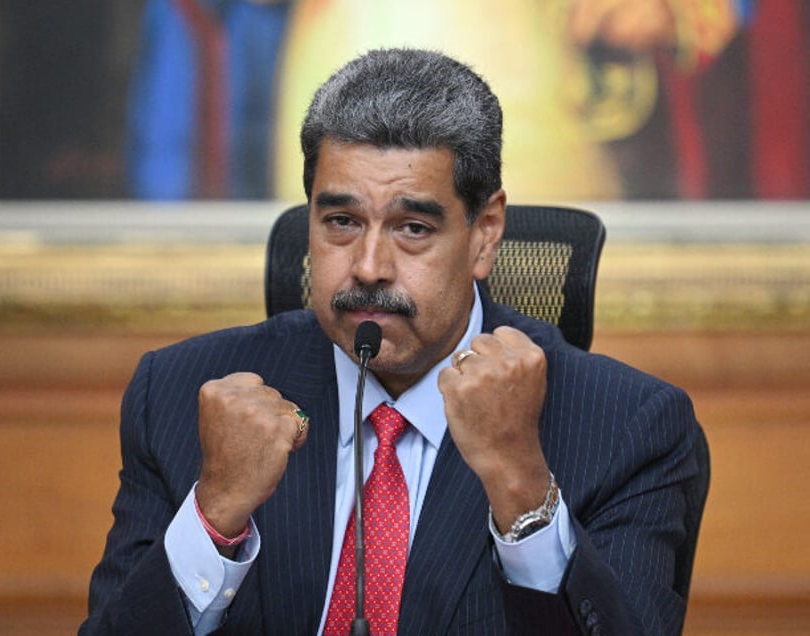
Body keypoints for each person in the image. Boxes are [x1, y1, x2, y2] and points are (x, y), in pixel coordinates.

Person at [81, 48, 703, 635]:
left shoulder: (627, 426)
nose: (369, 266)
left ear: (485, 233)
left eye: (412, 227)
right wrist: (213, 515)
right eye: (342, 222)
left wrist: (522, 486)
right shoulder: (178, 397)